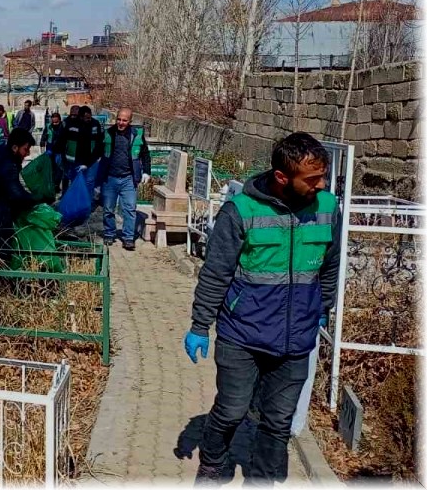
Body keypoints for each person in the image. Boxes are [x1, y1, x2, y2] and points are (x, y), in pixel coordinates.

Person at [184, 132, 341, 484]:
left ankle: (262, 479)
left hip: (296, 339)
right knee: (231, 410)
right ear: (283, 177)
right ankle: (212, 466)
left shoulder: (328, 208)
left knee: (278, 420)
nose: (321, 184)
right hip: (241, 334)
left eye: (323, 176)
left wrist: (322, 306)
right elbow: (216, 272)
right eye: (312, 179)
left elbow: (330, 266)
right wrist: (199, 325)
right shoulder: (241, 210)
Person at [96, 108, 150, 251]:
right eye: (119, 119)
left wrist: (146, 172)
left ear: (130, 121)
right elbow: (96, 152)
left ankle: (128, 238)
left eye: (124, 120)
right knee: (108, 209)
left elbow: (145, 154)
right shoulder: (108, 133)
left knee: (130, 209)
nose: (121, 122)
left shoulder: (137, 135)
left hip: (128, 179)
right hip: (110, 178)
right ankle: (109, 233)